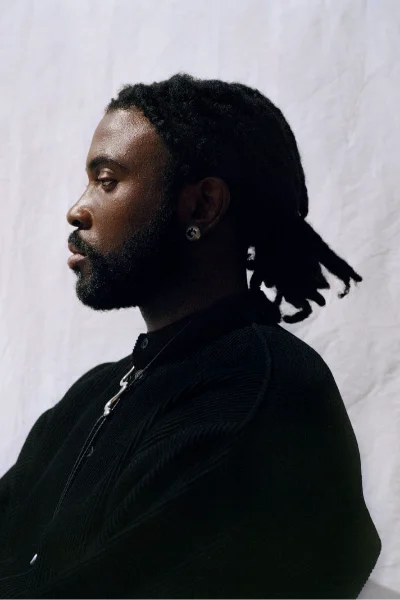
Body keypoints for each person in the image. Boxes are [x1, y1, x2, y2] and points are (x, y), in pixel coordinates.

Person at [0, 73, 381, 599]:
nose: (77, 209)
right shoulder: (94, 393)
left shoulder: (262, 392)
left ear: (202, 206)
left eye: (107, 180)